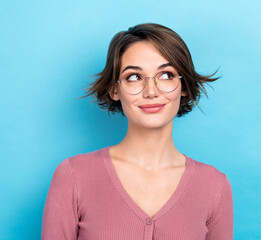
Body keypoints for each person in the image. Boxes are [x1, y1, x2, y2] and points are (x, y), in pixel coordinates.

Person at [41, 23, 233, 239]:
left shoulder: (214, 185)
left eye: (167, 75)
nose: (151, 92)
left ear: (184, 85)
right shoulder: (73, 176)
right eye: (134, 77)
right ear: (114, 89)